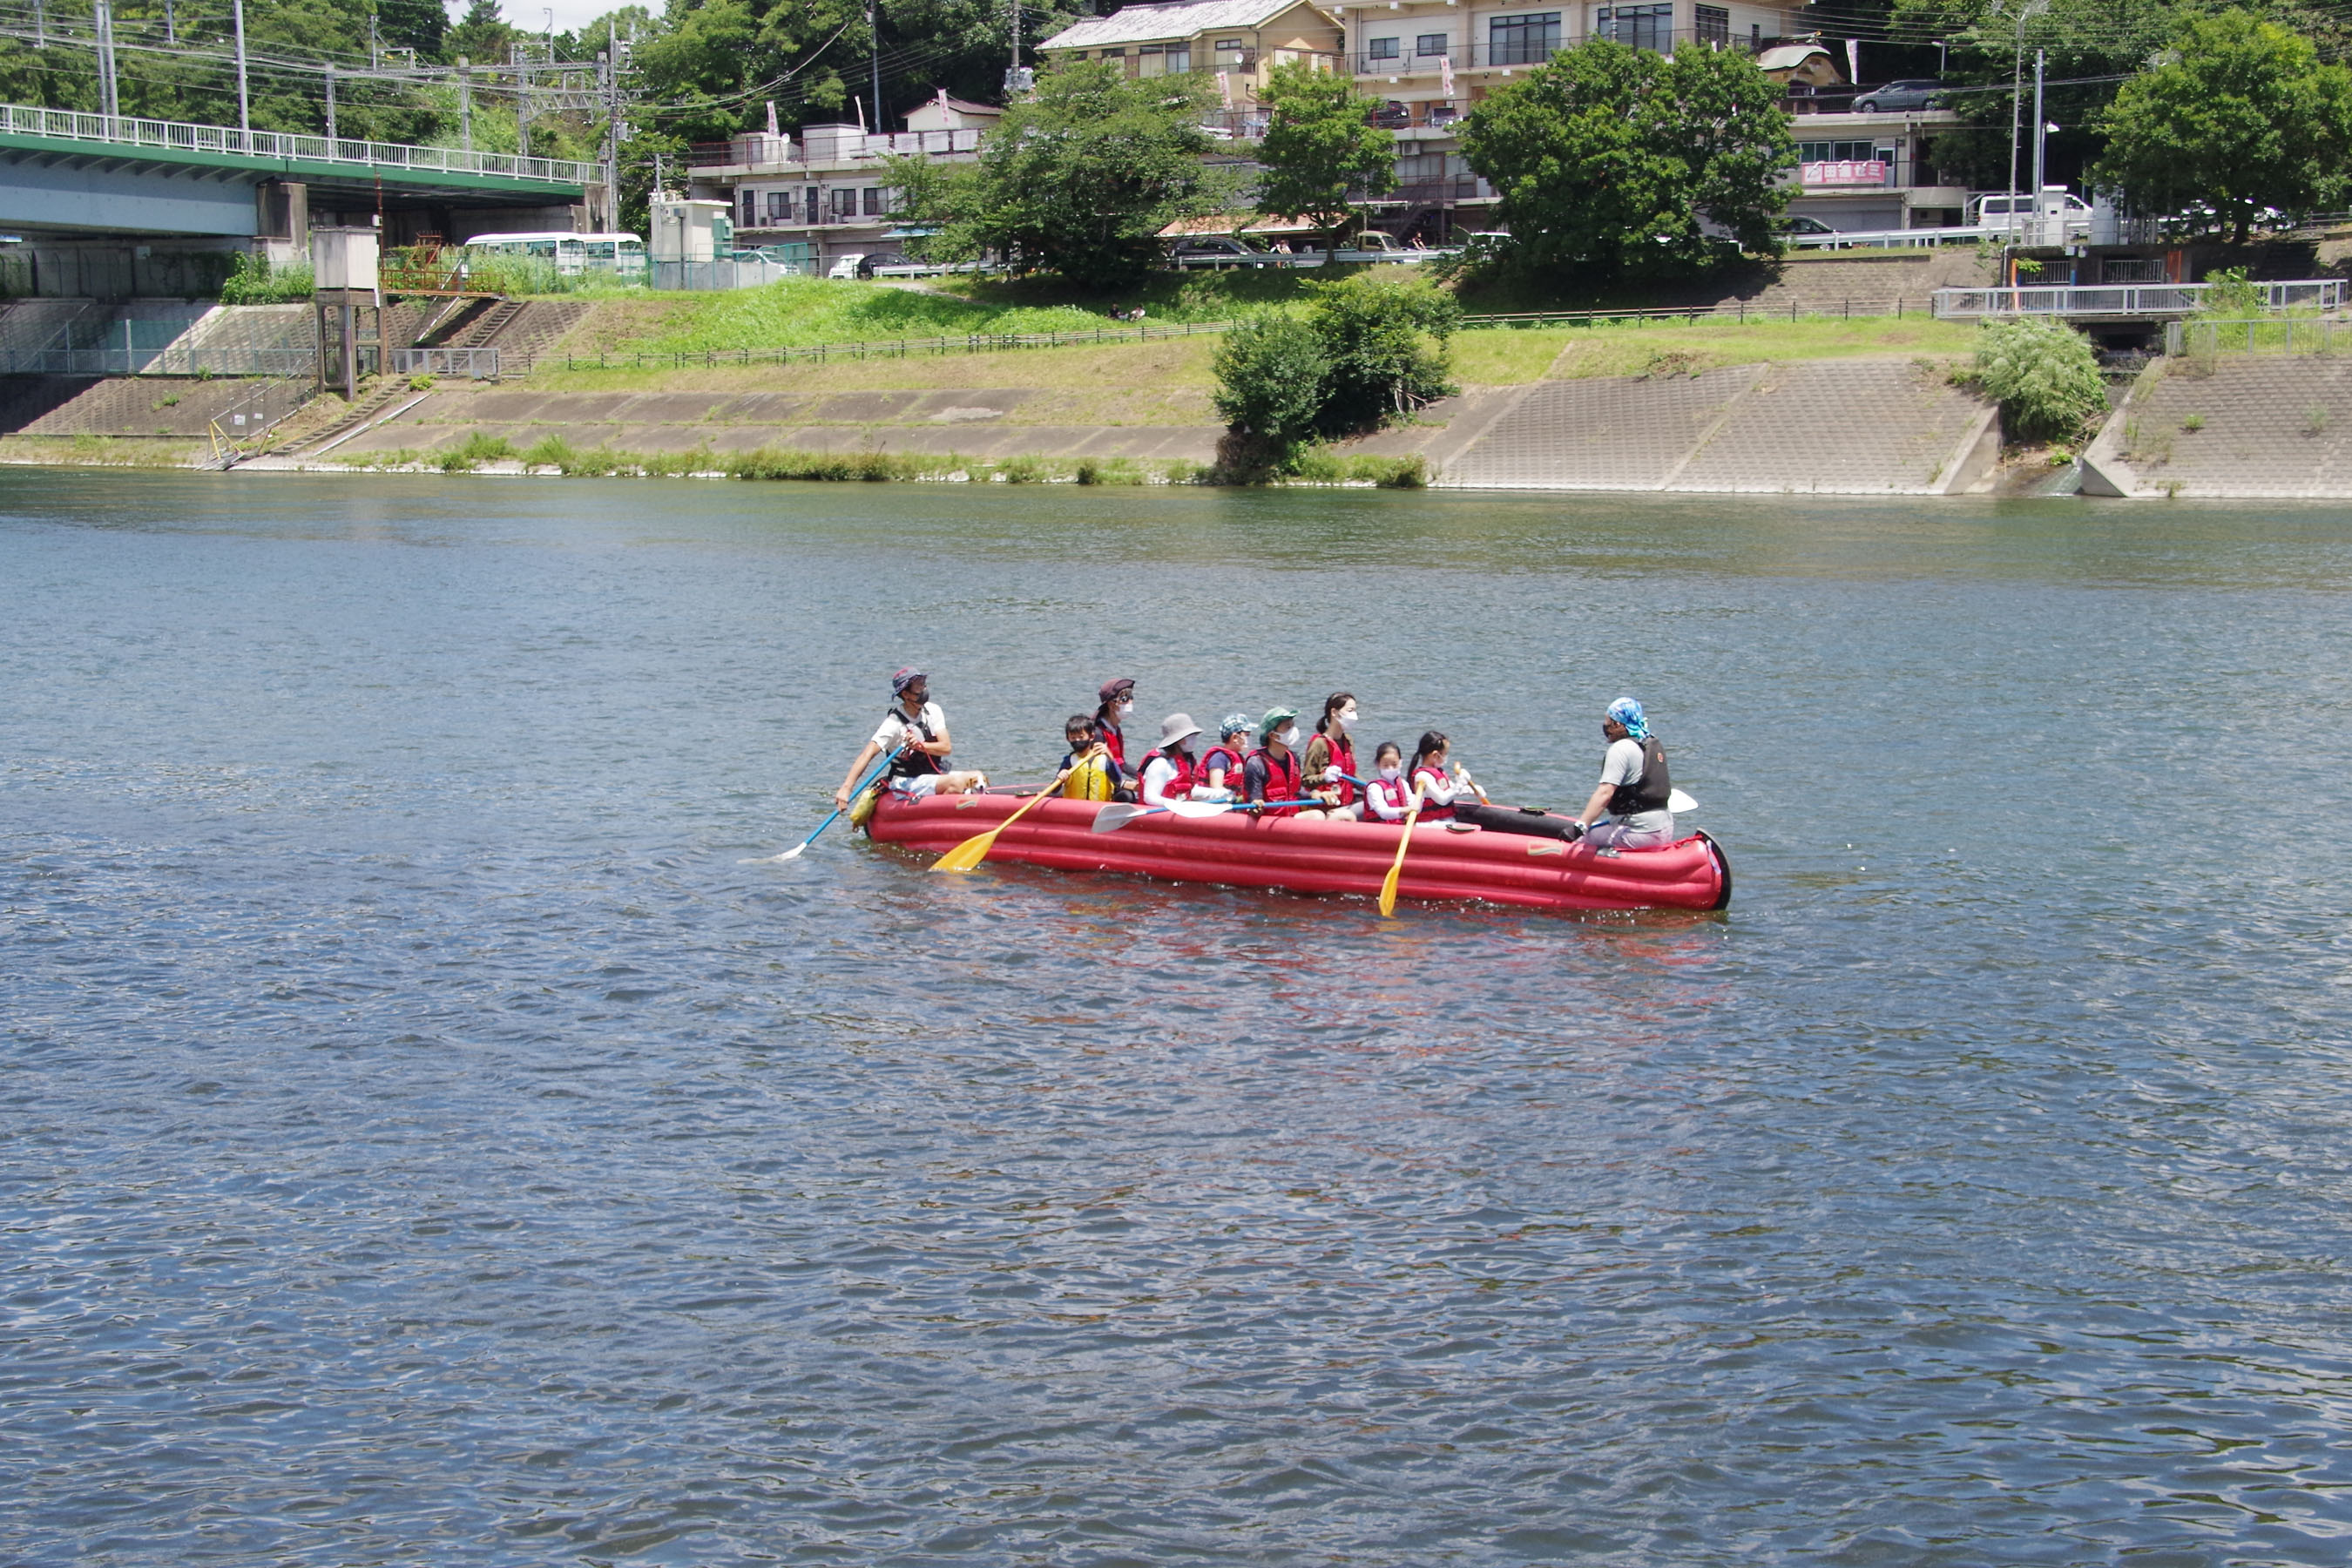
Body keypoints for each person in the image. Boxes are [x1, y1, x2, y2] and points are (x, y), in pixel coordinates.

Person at [834, 667, 986, 810]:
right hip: (906, 781)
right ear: (905, 694)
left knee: (977, 776)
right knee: (957, 783)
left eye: (923, 684)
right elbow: (867, 754)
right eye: (918, 686)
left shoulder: (933, 710)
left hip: (933, 775)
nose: (923, 689)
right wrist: (846, 789)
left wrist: (920, 746)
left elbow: (946, 748)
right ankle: (937, 817)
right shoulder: (893, 724)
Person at [1570, 696, 1676, 849]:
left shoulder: (1621, 749)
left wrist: (1581, 826)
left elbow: (1605, 793)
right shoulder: (1650, 744)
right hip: (1664, 829)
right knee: (1601, 827)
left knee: (1578, 842)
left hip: (1640, 833)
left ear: (1617, 724)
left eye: (1608, 722)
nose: (1605, 727)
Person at [1301, 692, 1362, 819]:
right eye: (1350, 710)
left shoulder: (1348, 741)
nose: (1354, 716)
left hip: (1347, 803)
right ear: (1334, 712)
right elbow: (1306, 780)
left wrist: (1372, 786)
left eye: (1355, 711)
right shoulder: (1320, 743)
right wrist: (1325, 778)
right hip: (1327, 807)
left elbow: (1351, 774)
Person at [1137, 713, 1216, 808]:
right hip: (1157, 816)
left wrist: (1221, 794)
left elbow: (1191, 790)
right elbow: (1150, 797)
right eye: (1191, 735)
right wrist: (1176, 805)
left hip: (1178, 811)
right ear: (1179, 740)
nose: (1195, 738)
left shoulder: (1188, 762)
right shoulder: (1160, 764)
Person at [1242, 706, 1305, 816]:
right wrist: (1256, 805)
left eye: (1293, 726)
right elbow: (1254, 803)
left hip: (1291, 818)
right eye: (1287, 727)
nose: (1293, 731)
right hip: (1269, 823)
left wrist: (1316, 794)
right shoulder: (1256, 763)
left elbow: (1297, 792)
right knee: (1317, 815)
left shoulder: (1294, 758)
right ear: (1272, 735)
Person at [1055, 713, 1124, 801]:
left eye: (1081, 737)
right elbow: (1055, 790)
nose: (1077, 740)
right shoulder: (1069, 761)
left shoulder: (1104, 759)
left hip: (1100, 808)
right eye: (1073, 737)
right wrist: (1059, 778)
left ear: (1091, 736)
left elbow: (1117, 780)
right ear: (1068, 738)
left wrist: (1111, 758)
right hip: (1075, 809)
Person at [1409, 731, 1468, 821]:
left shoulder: (1438, 772)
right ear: (1436, 755)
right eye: (1445, 754)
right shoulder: (1423, 776)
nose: (1446, 757)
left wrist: (1467, 789)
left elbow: (1451, 790)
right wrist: (1459, 785)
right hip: (1430, 823)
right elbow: (1442, 799)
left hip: (1444, 820)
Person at [1196, 714, 1251, 799]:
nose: (1248, 739)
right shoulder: (1219, 758)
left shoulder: (1237, 758)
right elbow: (1216, 788)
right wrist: (1233, 798)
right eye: (1247, 735)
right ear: (1235, 737)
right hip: (1216, 806)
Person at [1362, 741, 1414, 824]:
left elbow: (1412, 802)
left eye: (1394, 764)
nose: (1390, 768)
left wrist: (1419, 801)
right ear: (1378, 764)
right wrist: (1406, 810)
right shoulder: (1374, 788)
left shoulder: (1403, 784)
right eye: (1386, 765)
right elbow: (1383, 812)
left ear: (1400, 762)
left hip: (1402, 826)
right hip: (1382, 831)